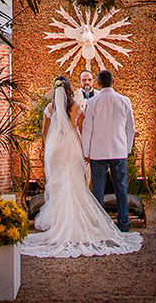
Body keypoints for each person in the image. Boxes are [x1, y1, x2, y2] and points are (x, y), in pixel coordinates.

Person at [22, 75, 141, 258]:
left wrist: (83, 150)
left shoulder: (53, 107)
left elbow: (47, 134)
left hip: (61, 150)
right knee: (102, 185)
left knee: (68, 186)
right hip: (92, 149)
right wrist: (126, 148)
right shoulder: (84, 106)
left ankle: (66, 221)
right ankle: (119, 223)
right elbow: (86, 129)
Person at [81, 69, 136, 233]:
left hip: (98, 151)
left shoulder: (92, 103)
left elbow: (87, 129)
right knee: (121, 188)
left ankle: (99, 225)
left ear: (97, 83)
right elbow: (130, 129)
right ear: (113, 82)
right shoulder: (124, 100)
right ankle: (123, 223)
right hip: (119, 150)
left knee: (98, 189)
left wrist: (86, 151)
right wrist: (127, 148)